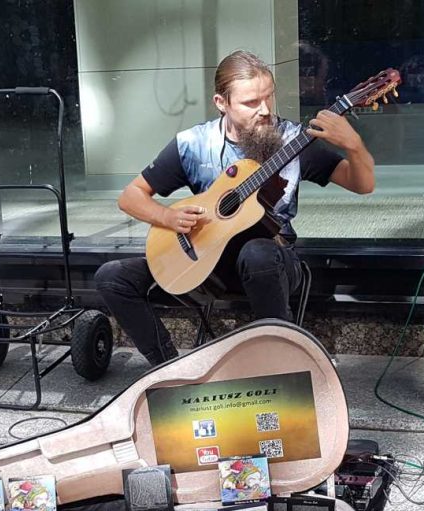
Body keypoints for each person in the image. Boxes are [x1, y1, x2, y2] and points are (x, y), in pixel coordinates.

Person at [95, 50, 376, 366]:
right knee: (112, 277)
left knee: (257, 252)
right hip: (203, 263)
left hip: (273, 264)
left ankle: (280, 367)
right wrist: (168, 216)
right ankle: (168, 368)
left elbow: (362, 184)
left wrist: (353, 145)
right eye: (251, 103)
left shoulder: (294, 140)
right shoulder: (193, 144)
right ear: (221, 103)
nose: (265, 110)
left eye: (268, 98)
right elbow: (130, 197)